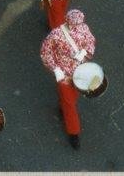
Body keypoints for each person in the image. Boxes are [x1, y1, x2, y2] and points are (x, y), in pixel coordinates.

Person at [40, 9, 96, 149]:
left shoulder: (83, 27)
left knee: (72, 97)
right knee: (70, 104)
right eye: (76, 24)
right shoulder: (56, 35)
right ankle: (74, 132)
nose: (78, 26)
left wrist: (84, 52)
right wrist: (56, 69)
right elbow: (45, 53)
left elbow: (90, 41)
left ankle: (62, 107)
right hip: (65, 74)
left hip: (80, 71)